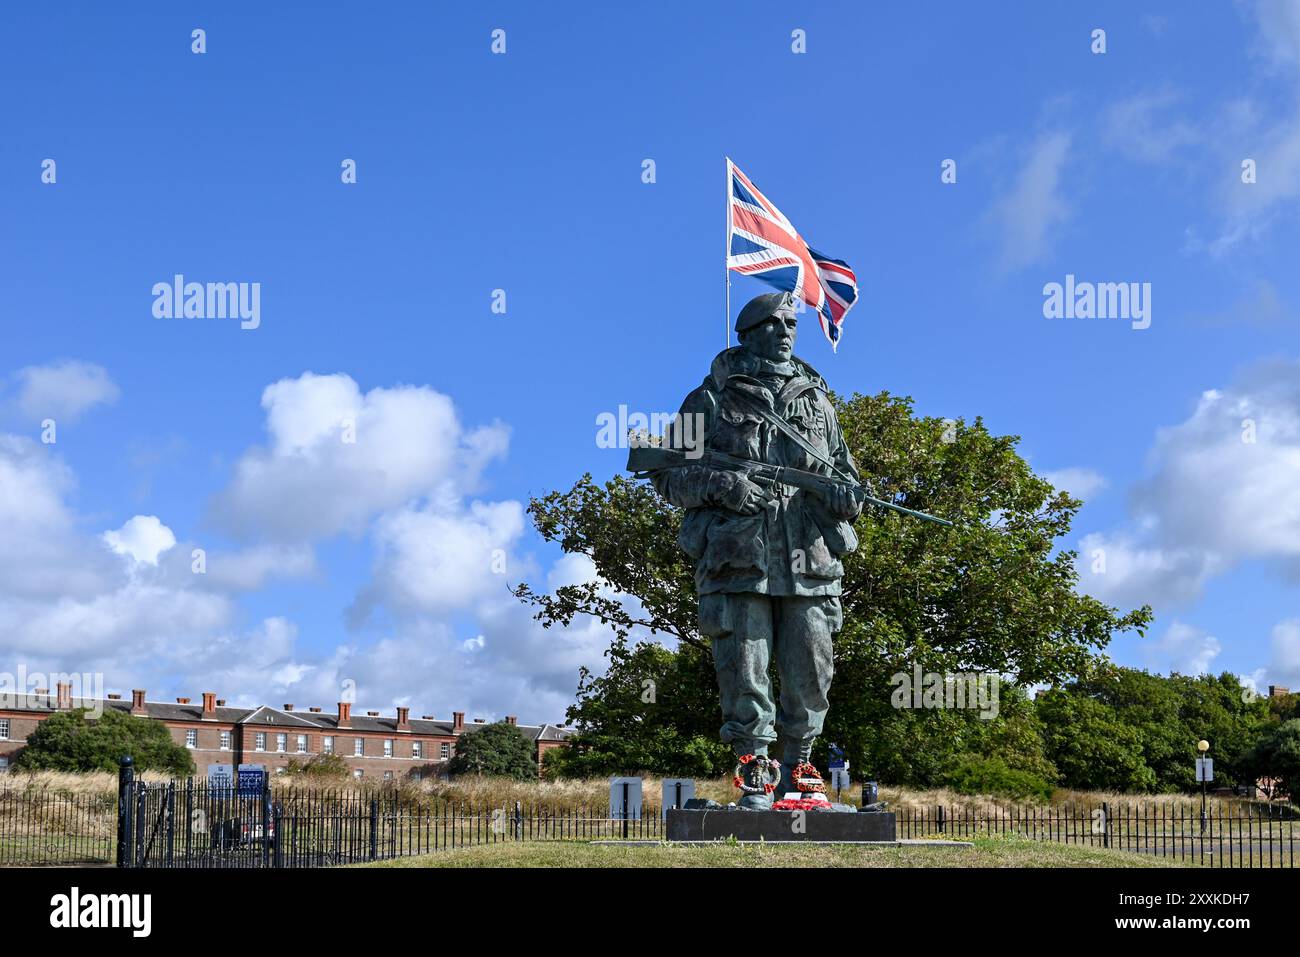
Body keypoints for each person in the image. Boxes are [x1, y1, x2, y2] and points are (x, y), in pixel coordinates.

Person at [651, 290, 863, 808]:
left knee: (811, 668)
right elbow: (666, 476)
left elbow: (846, 474)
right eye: (774, 323)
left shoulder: (817, 401)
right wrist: (723, 486)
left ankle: (801, 770)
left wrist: (843, 495)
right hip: (738, 557)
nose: (787, 331)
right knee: (744, 665)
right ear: (748, 333)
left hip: (811, 558)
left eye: (792, 323)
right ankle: (756, 771)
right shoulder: (712, 398)